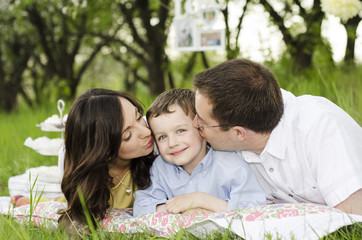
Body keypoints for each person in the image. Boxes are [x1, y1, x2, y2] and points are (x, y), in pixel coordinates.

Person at [193, 58, 362, 215]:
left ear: (239, 133)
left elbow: (352, 217)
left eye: (201, 121)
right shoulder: (231, 146)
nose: (194, 124)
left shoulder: (319, 127)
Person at [133, 88, 266, 217]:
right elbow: (141, 206)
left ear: (201, 128)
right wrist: (179, 210)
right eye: (162, 137)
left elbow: (253, 209)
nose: (172, 143)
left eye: (181, 131)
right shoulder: (160, 167)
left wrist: (201, 200)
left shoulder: (231, 165)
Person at [58, 88, 156, 228]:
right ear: (104, 151)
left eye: (139, 117)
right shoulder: (76, 167)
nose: (147, 132)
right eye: (128, 135)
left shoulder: (160, 139)